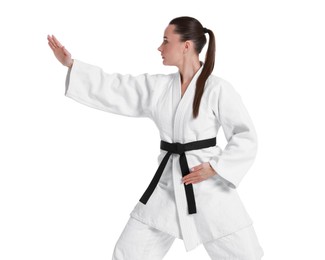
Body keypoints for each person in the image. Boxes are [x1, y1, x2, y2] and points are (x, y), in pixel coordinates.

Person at [48, 16, 264, 260]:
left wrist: (215, 168)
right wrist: (71, 65)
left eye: (165, 41)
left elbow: (245, 135)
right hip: (169, 185)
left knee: (244, 255)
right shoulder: (159, 88)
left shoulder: (217, 89)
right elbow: (118, 87)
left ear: (186, 46)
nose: (159, 47)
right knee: (129, 252)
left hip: (208, 187)